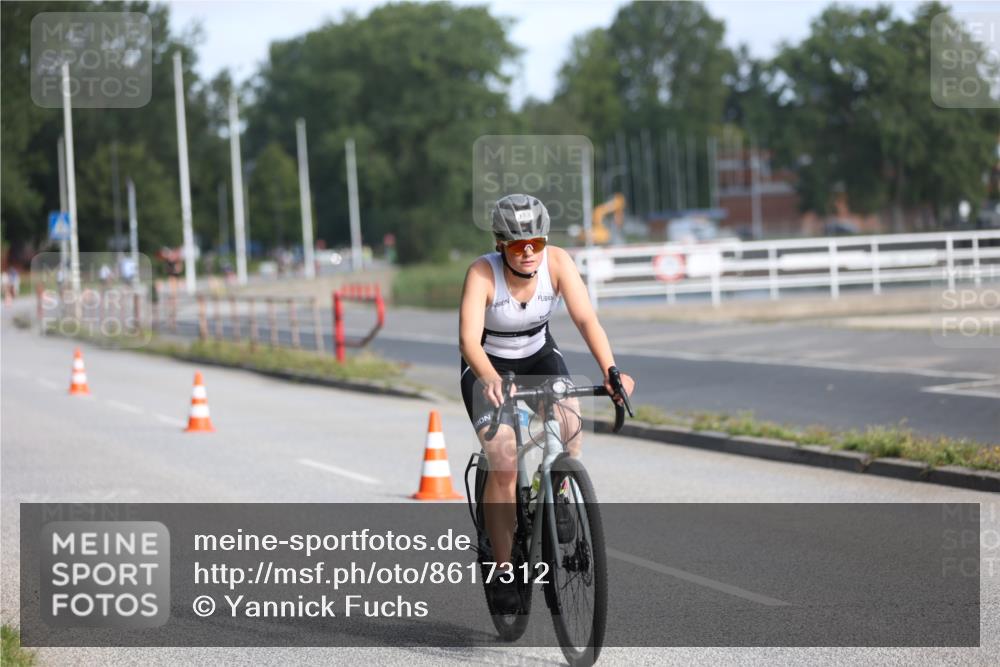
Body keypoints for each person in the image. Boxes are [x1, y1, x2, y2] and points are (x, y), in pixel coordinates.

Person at [459, 193, 635, 613]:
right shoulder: (482, 274)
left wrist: (611, 371)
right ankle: (503, 568)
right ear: (500, 244)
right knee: (504, 458)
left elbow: (586, 319)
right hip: (488, 364)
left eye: (535, 243)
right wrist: (490, 379)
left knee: (570, 422)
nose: (528, 253)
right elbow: (468, 341)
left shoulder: (557, 263)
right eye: (518, 245)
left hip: (538, 355)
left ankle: (558, 491)